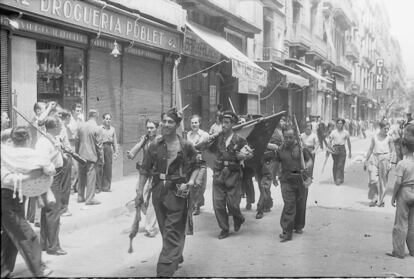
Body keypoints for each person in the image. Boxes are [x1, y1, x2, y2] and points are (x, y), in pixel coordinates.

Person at [141, 108, 198, 277]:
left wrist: (191, 181)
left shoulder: (186, 145)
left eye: (170, 121)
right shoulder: (154, 145)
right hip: (158, 190)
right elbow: (145, 170)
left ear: (178, 125)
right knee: (166, 229)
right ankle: (176, 254)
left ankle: (164, 271)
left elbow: (197, 165)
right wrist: (139, 192)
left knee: (172, 229)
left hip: (177, 190)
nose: (166, 124)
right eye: (164, 121)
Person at [1, 127, 54, 277]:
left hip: (15, 198)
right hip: (6, 198)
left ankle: (3, 270)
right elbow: (5, 179)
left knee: (10, 237)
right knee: (26, 235)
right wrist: (30, 176)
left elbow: (46, 168)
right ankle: (39, 268)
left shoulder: (22, 157)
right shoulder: (6, 157)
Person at [204, 111, 253, 240]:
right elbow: (206, 148)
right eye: (222, 123)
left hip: (233, 175)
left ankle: (239, 218)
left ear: (232, 124)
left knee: (233, 204)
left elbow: (250, 153)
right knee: (218, 204)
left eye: (227, 123)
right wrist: (207, 140)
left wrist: (244, 155)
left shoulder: (239, 139)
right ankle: (224, 228)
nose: (223, 125)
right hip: (219, 173)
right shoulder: (218, 138)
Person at [36, 116, 68, 255]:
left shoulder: (52, 139)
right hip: (50, 178)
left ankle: (44, 244)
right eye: (59, 125)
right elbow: (43, 162)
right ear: (54, 127)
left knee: (47, 213)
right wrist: (57, 149)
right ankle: (53, 246)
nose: (61, 127)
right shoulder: (44, 142)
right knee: (54, 212)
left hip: (56, 175)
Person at [275, 127, 313, 242]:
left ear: (294, 137)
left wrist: (306, 166)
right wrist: (274, 177)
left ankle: (298, 226)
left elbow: (310, 160)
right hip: (286, 180)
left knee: (300, 204)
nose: (288, 139)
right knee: (289, 204)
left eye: (290, 137)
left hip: (300, 179)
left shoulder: (301, 148)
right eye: (286, 137)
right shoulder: (280, 149)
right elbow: (276, 163)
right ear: (283, 136)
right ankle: (287, 231)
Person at [127, 119, 160, 238]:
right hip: (144, 170)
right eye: (148, 127)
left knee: (152, 201)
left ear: (157, 128)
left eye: (152, 128)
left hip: (155, 172)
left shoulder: (160, 140)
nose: (149, 130)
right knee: (139, 194)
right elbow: (133, 152)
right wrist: (131, 153)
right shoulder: (145, 139)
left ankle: (150, 227)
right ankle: (154, 215)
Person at [386, 138, 414, 259]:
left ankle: (398, 252)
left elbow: (398, 182)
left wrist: (393, 197)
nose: (401, 150)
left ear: (405, 148)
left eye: (402, 148)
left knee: (401, 224)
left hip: (404, 192)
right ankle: (413, 250)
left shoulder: (402, 163)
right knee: (412, 224)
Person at [364, 120, 395, 207]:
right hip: (374, 158)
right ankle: (374, 198)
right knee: (373, 179)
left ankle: (381, 201)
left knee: (382, 181)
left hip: (385, 159)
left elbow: (393, 151)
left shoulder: (389, 138)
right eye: (385, 128)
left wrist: (390, 163)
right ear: (380, 128)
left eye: (388, 129)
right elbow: (370, 148)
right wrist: (366, 160)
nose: (386, 130)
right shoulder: (374, 137)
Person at [76, 109, 103, 205]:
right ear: (96, 116)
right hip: (91, 156)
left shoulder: (81, 126)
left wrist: (76, 154)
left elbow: (77, 141)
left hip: (81, 155)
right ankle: (90, 199)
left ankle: (80, 196)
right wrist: (101, 159)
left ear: (89, 116)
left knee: (81, 176)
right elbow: (99, 146)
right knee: (91, 178)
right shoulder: (97, 128)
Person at [186, 114, 209, 216]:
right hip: (190, 163)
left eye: (196, 122)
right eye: (192, 123)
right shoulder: (188, 135)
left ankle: (196, 206)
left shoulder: (204, 135)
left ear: (199, 123)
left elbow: (204, 147)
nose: (194, 124)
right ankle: (197, 202)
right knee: (192, 184)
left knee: (198, 183)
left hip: (201, 162)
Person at [97, 113, 118, 192]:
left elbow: (115, 142)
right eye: (106, 118)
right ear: (103, 120)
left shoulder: (112, 129)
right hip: (101, 148)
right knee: (100, 167)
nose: (108, 120)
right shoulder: (99, 128)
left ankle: (106, 187)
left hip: (109, 148)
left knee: (108, 168)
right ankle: (98, 187)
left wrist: (116, 152)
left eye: (109, 119)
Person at [328, 118, 352, 185]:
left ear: (343, 124)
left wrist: (350, 152)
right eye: (338, 123)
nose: (339, 125)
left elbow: (349, 142)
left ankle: (339, 178)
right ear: (336, 124)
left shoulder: (346, 133)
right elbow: (329, 141)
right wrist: (329, 148)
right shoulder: (333, 132)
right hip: (335, 149)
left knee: (340, 164)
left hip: (342, 149)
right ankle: (336, 178)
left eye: (341, 123)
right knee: (335, 164)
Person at [68, 103, 84, 193]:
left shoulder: (79, 120)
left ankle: (74, 186)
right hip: (70, 144)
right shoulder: (69, 119)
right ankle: (71, 186)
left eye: (80, 110)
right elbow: (73, 132)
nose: (79, 112)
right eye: (77, 111)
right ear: (73, 111)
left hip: (77, 144)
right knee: (73, 167)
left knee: (78, 166)